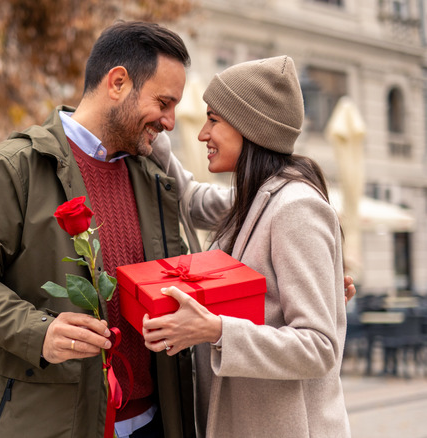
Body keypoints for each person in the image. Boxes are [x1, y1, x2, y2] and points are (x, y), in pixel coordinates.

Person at [0, 21, 196, 438]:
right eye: (164, 102)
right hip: (48, 422)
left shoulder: (154, 179)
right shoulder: (11, 167)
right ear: (117, 83)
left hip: (152, 423)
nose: (170, 121)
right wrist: (40, 332)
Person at [142, 56, 351, 437]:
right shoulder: (254, 200)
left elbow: (320, 346)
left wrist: (215, 330)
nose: (203, 134)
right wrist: (153, 134)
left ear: (250, 127)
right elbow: (187, 197)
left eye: (214, 120)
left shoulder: (295, 208)